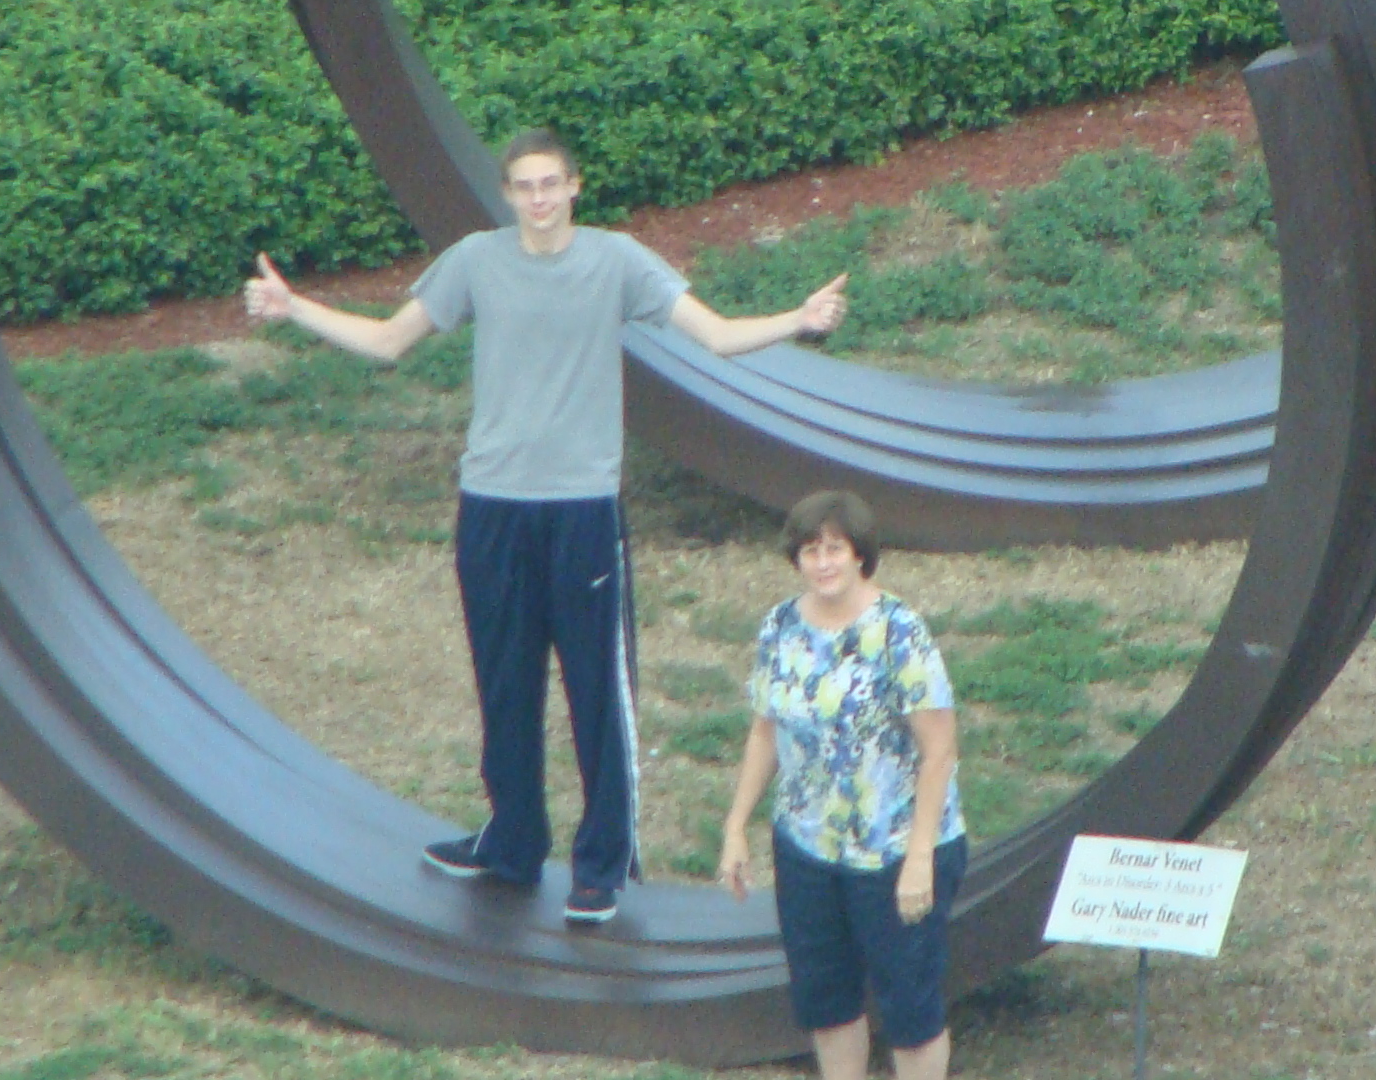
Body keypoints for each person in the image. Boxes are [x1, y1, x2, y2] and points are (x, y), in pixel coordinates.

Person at [242, 128, 850, 925]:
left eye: (550, 184)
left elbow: (717, 334)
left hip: (581, 511)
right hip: (492, 506)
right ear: (508, 195)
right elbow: (389, 342)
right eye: (523, 186)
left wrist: (798, 318)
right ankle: (512, 842)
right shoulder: (475, 261)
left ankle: (600, 866)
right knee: (505, 683)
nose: (537, 199)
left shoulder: (617, 261)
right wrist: (295, 310)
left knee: (596, 690)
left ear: (575, 187)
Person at [718, 489, 965, 1080]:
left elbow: (940, 751)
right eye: (811, 550)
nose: (824, 562)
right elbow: (763, 732)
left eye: (835, 548)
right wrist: (735, 826)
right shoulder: (780, 625)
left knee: (910, 1010)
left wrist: (919, 859)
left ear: (860, 556)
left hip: (895, 849)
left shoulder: (899, 632)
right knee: (826, 1002)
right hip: (808, 847)